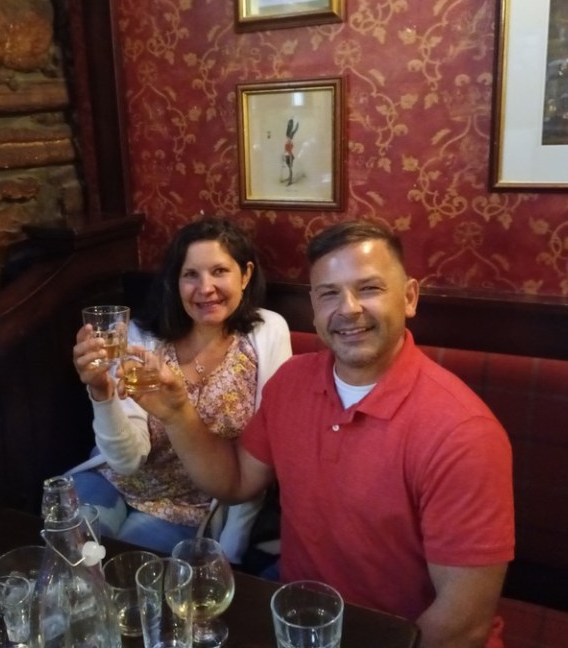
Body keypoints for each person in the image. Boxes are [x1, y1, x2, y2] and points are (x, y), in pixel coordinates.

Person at [132, 220, 515, 648]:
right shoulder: (292, 382)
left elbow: (463, 625)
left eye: (368, 288)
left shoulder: (463, 434)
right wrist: (177, 412)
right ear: (313, 308)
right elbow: (235, 482)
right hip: (300, 621)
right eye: (329, 293)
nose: (348, 308)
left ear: (409, 298)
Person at [69, 217, 292, 561]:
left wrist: (230, 552)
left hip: (190, 507)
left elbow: (263, 453)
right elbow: (126, 461)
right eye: (191, 275)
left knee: (124, 572)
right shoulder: (141, 337)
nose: (205, 288)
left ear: (245, 275)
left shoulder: (267, 333)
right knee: (70, 556)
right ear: (176, 282)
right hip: (114, 480)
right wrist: (102, 392)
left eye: (219, 271)